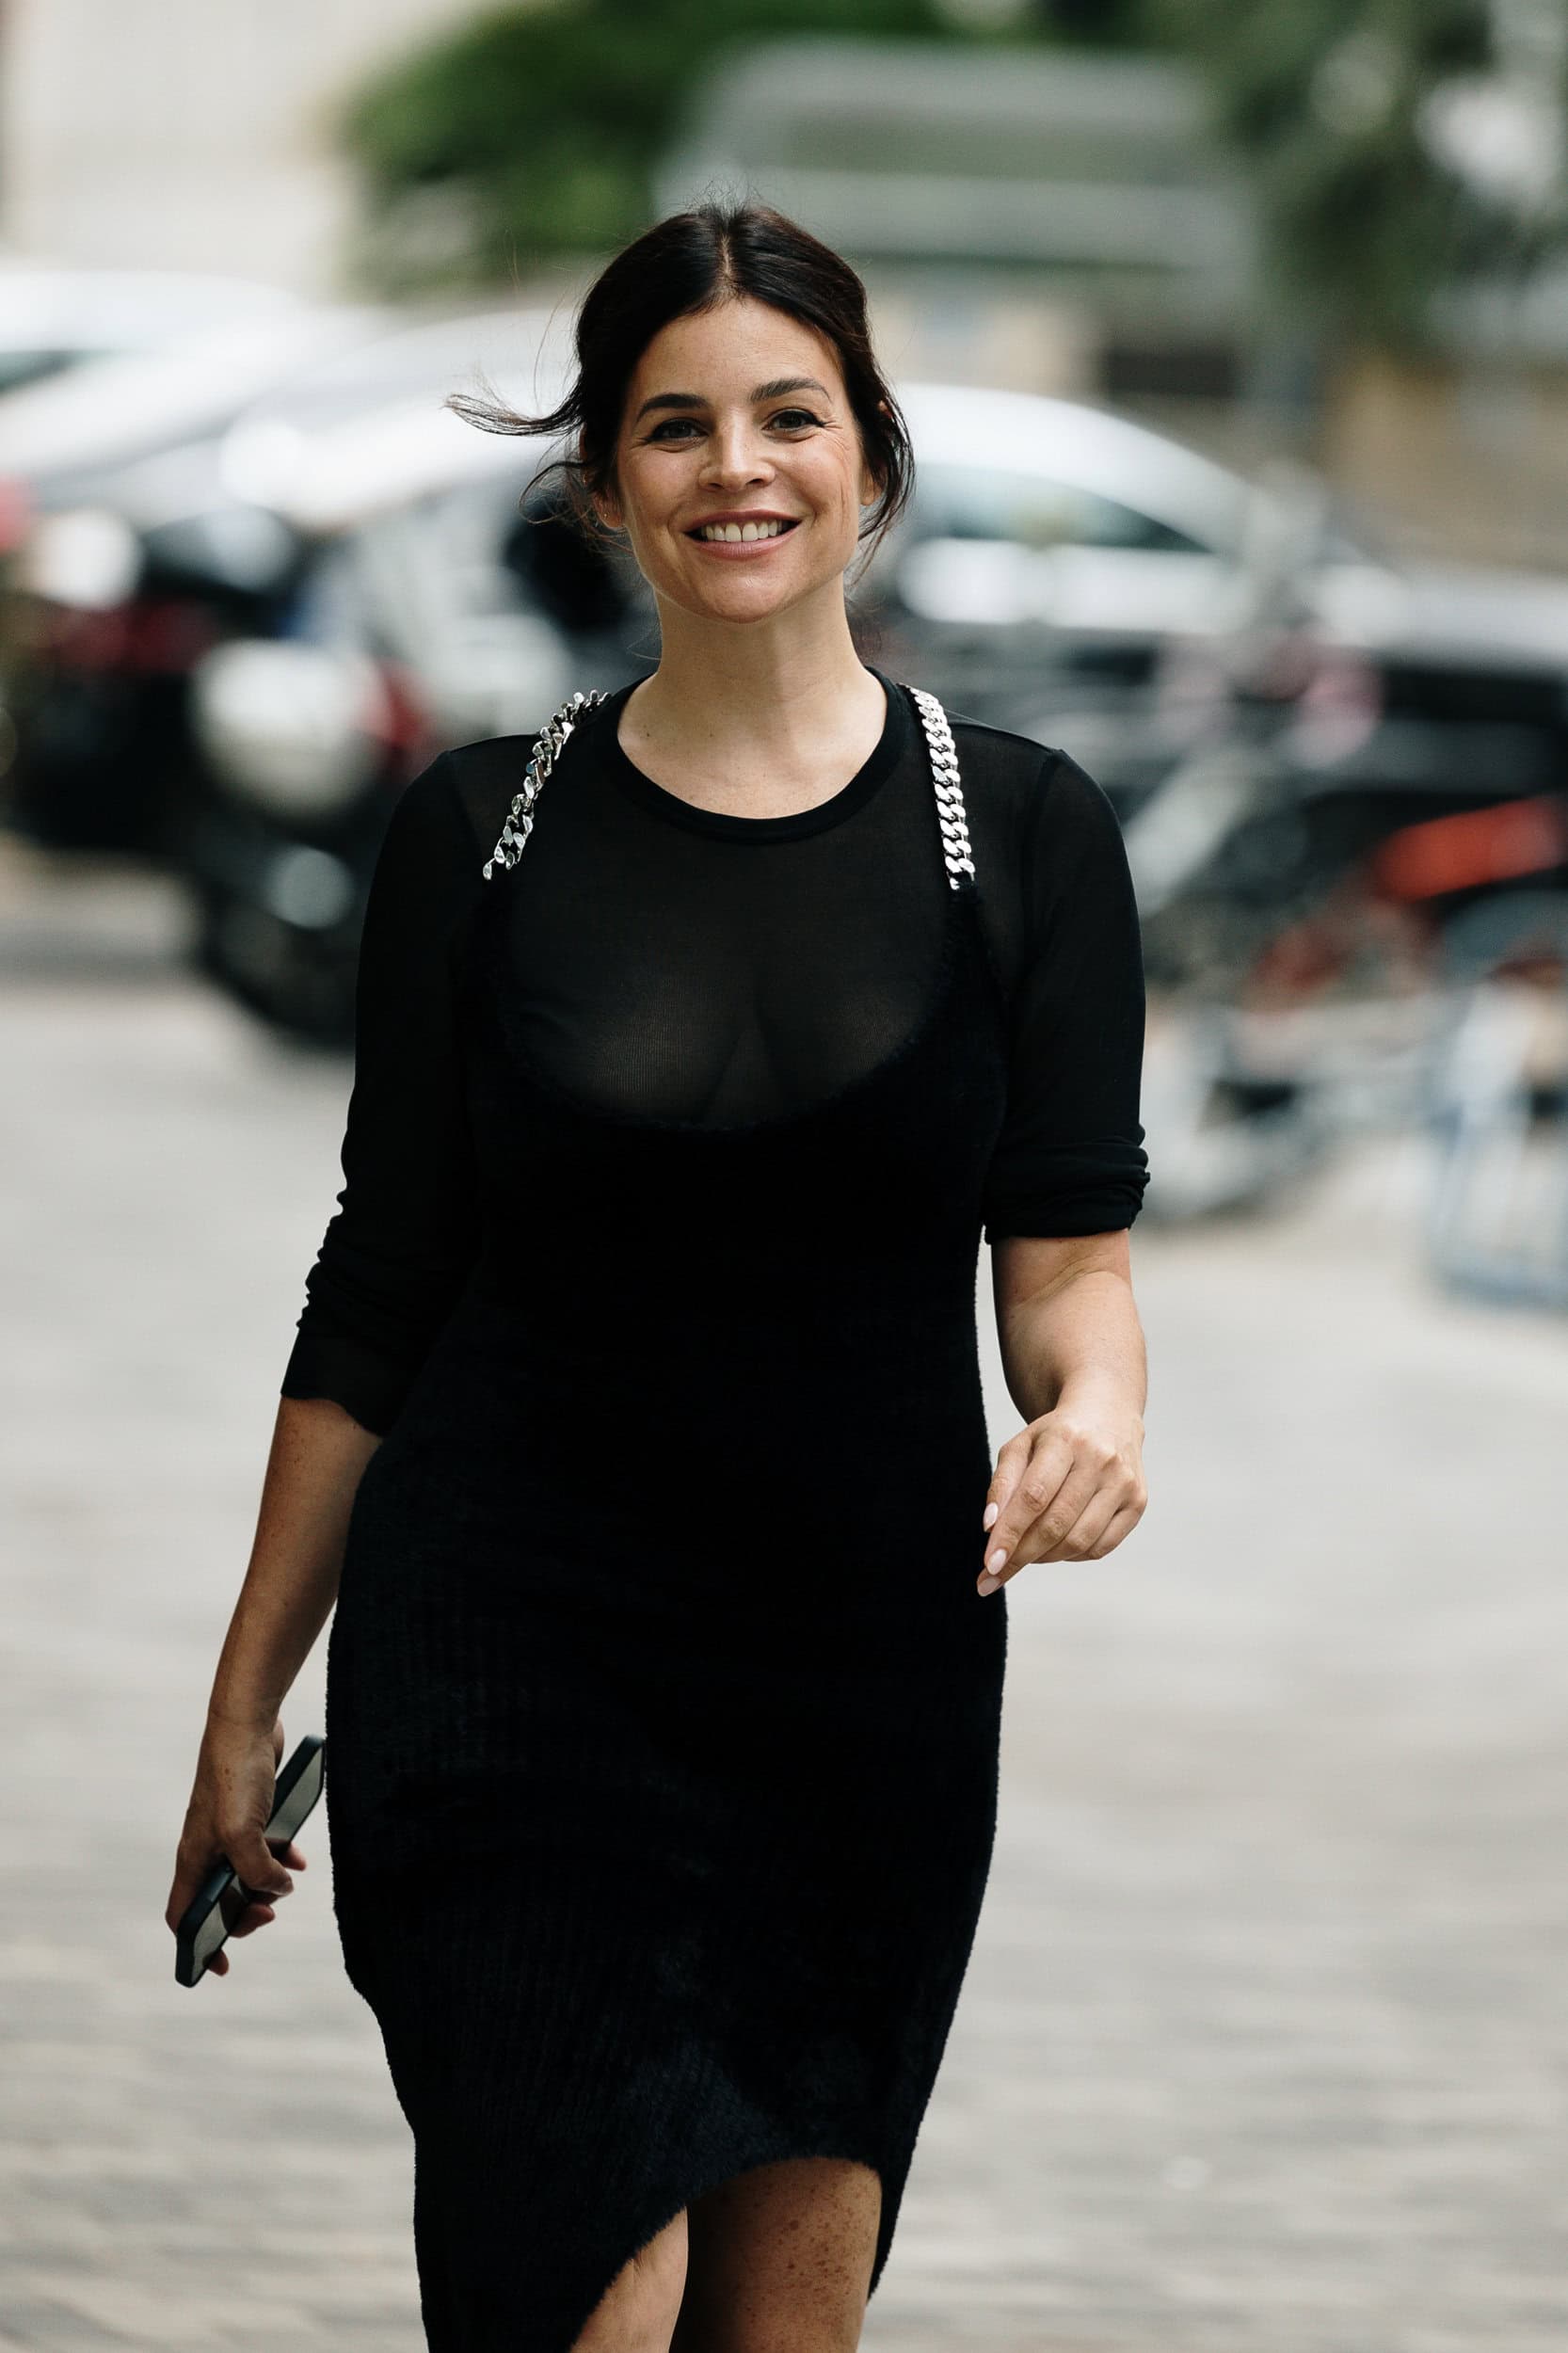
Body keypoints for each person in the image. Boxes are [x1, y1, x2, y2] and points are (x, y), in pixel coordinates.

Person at [166, 200, 1152, 2353]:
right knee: (578, 2284)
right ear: (604, 481)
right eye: (673, 424)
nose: (736, 467)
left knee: (779, 2324)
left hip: (857, 1682)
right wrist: (246, 1700)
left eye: (787, 415)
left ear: (868, 453)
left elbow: (1068, 1254)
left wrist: (1095, 1411)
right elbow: (378, 1283)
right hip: (504, 1658)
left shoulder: (1024, 836)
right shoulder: (479, 833)